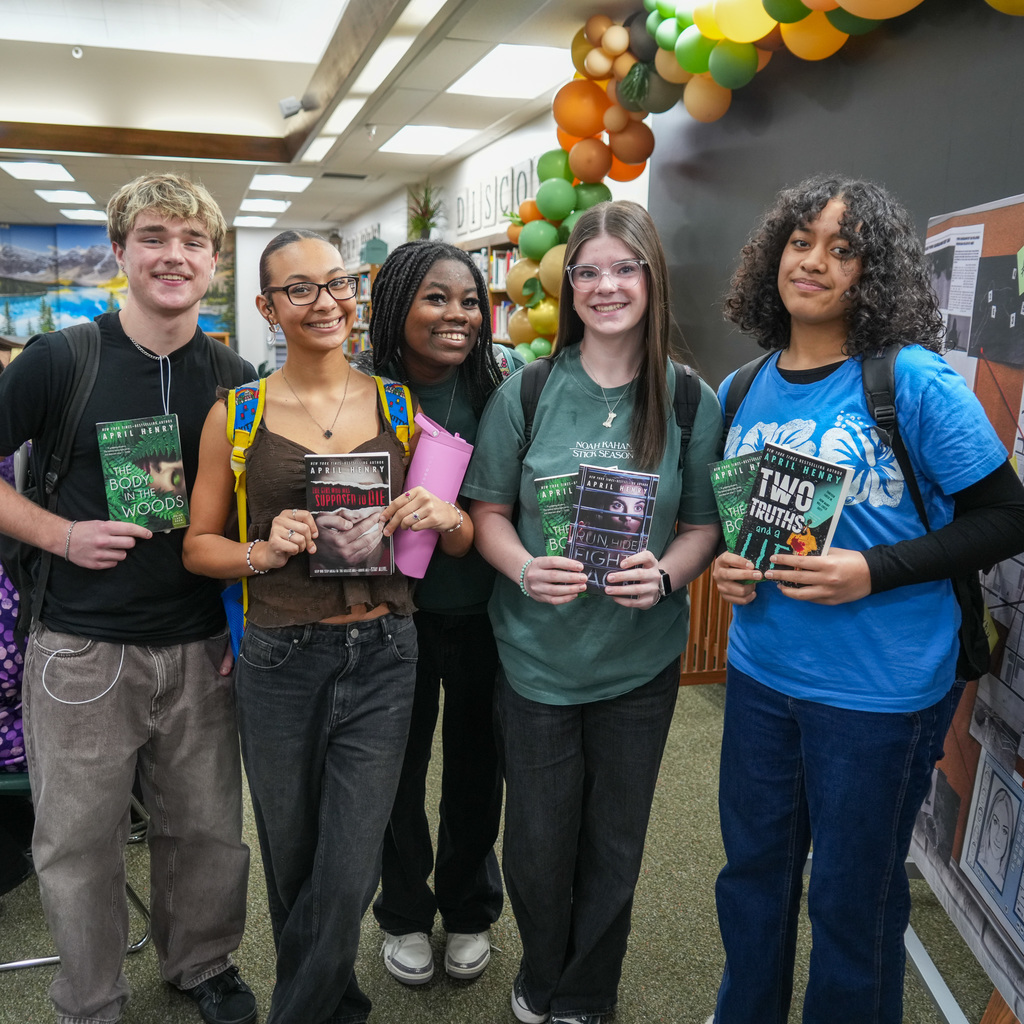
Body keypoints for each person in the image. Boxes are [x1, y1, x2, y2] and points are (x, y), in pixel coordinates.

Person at [709, 175, 1024, 1024]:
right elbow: (753, 530)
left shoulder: (910, 380)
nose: (813, 262)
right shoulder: (743, 389)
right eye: (801, 241)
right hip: (762, 674)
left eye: (842, 250)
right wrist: (733, 570)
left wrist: (871, 571)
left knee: (853, 901)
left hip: (878, 693)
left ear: (872, 274)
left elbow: (1008, 516)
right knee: (752, 882)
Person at [182, 229, 465, 1024]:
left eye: (336, 283)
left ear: (356, 292)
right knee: (294, 859)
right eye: (297, 290)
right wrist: (261, 551)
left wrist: (443, 517)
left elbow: (461, 538)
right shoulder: (235, 415)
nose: (324, 302)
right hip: (278, 657)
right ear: (268, 308)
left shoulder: (400, 408)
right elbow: (199, 549)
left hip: (384, 651)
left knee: (348, 869)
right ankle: (333, 1007)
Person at [0, 174, 257, 1024]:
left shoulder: (235, 375)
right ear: (121, 251)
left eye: (191, 242)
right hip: (79, 645)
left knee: (210, 831)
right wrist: (61, 535)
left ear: (213, 261)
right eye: (152, 237)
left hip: (199, 646)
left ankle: (203, 963)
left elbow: (251, 512)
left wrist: (240, 622)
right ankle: (90, 998)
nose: (172, 255)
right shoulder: (59, 360)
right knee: (77, 844)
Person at [462, 200, 723, 1024]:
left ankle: (587, 994)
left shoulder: (688, 399)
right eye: (589, 272)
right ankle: (542, 977)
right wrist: (525, 566)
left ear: (651, 279)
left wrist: (672, 575)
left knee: (615, 844)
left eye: (624, 268)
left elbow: (702, 526)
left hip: (638, 664)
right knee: (538, 846)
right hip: (538, 658)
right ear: (568, 284)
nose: (606, 286)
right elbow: (486, 513)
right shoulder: (529, 391)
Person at [355, 240, 522, 986]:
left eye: (468, 301)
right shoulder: (359, 390)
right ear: (395, 306)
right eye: (434, 298)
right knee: (395, 767)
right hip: (392, 613)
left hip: (487, 610)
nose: (456, 315)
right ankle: (403, 910)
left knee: (477, 766)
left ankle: (467, 907)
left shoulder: (503, 385)